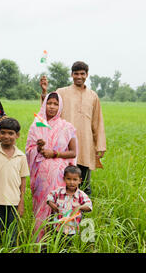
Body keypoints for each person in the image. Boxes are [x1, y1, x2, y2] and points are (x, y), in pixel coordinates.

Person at [40, 61, 106, 195]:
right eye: (76, 74)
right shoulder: (62, 92)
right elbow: (49, 109)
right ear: (71, 75)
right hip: (64, 146)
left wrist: (100, 145)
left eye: (82, 74)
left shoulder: (93, 96)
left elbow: (97, 122)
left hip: (86, 145)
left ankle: (83, 212)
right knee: (62, 182)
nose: (79, 77)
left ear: (87, 75)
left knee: (84, 183)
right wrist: (44, 92)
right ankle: (61, 213)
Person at [25, 92, 77, 241]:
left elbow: (73, 152)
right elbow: (29, 150)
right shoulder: (37, 125)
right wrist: (39, 148)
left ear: (60, 106)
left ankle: (59, 242)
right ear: (44, 105)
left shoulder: (66, 127)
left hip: (60, 176)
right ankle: (39, 242)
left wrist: (55, 153)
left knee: (59, 206)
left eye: (55, 104)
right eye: (49, 103)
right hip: (42, 176)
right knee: (42, 207)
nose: (52, 107)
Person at [0, 118, 29, 252]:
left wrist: (21, 203)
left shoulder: (21, 156)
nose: (6, 136)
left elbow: (23, 181)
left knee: (12, 237)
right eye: (3, 133)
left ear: (17, 135)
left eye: (10, 133)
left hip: (13, 203)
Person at [47, 165, 92, 240]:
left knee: (69, 247)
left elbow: (89, 206)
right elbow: (49, 198)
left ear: (80, 181)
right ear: (64, 179)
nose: (71, 182)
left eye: (75, 180)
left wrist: (79, 207)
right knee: (57, 245)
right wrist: (52, 205)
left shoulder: (81, 195)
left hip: (72, 230)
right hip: (57, 229)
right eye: (68, 179)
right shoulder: (59, 192)